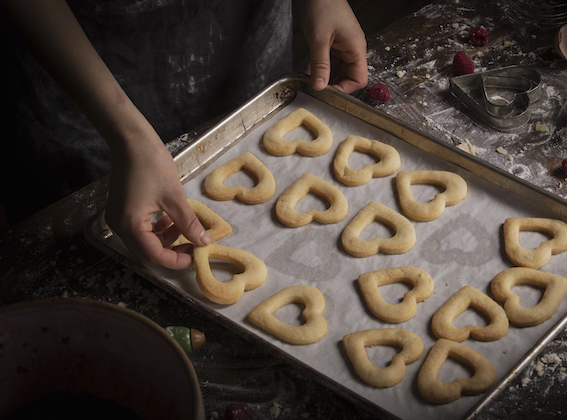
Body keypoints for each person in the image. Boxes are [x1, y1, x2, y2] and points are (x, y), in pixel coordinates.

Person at [1, 0, 368, 270]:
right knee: (78, 255)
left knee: (255, 128)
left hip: (246, 46)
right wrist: (128, 137)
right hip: (79, 76)